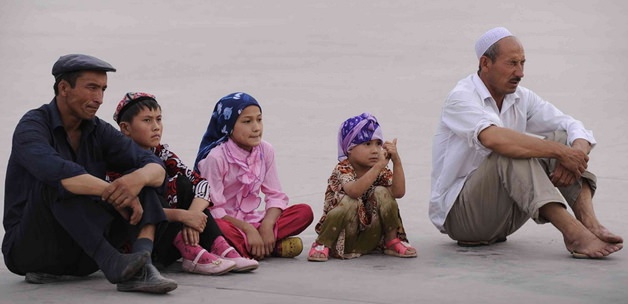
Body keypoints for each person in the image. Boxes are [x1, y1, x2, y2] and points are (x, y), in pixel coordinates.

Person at [429, 27, 623, 258]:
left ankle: (588, 221)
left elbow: (571, 125)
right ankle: (573, 233)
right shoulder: (461, 97)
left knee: (563, 137)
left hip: (507, 216)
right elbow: (494, 138)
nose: (520, 73)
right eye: (512, 63)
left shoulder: (521, 97)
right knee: (508, 151)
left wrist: (575, 152)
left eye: (522, 63)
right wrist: (560, 153)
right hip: (463, 218)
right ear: (485, 63)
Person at [2, 54, 177, 294]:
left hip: (82, 254)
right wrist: (114, 191)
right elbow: (58, 173)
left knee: (143, 178)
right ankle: (113, 262)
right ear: (64, 88)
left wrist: (136, 180)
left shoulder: (98, 130)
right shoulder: (32, 126)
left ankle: (141, 266)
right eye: (92, 88)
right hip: (31, 251)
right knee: (56, 181)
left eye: (103, 89)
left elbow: (155, 166)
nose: (100, 99)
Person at [108, 92, 259, 274]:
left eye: (159, 119)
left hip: (173, 237)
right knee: (152, 191)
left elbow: (202, 185)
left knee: (184, 183)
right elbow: (131, 210)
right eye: (147, 121)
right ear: (125, 128)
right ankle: (193, 253)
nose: (156, 127)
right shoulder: (116, 162)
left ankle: (219, 247)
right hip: (140, 243)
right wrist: (182, 216)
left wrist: (191, 217)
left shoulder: (161, 153)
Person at [193, 92, 314, 260]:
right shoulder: (215, 158)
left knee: (304, 212)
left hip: (254, 220)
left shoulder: (265, 150)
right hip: (227, 224)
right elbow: (213, 210)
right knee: (217, 227)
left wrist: (267, 225)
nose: (256, 127)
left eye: (259, 119)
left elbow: (275, 195)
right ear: (228, 126)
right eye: (247, 121)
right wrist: (248, 230)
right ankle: (269, 247)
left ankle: (251, 247)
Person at [308, 113, 416, 262]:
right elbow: (354, 191)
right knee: (349, 201)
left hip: (371, 236)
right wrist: (378, 166)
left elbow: (398, 192)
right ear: (350, 148)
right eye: (367, 144)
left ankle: (392, 241)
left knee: (382, 192)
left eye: (378, 144)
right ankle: (322, 243)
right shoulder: (343, 168)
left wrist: (397, 161)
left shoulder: (380, 170)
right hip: (343, 237)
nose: (375, 150)